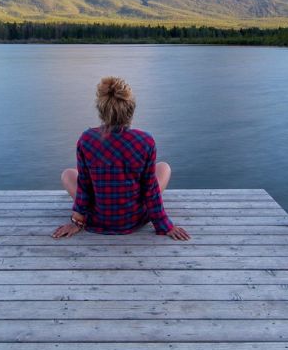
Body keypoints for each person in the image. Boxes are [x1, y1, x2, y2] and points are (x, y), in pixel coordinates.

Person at [53, 76, 190, 241]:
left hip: (98, 218)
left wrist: (77, 221)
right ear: (131, 109)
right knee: (164, 168)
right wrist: (165, 225)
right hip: (134, 219)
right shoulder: (145, 141)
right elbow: (150, 189)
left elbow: (84, 186)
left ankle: (89, 215)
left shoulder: (87, 139)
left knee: (68, 174)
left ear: (101, 110)